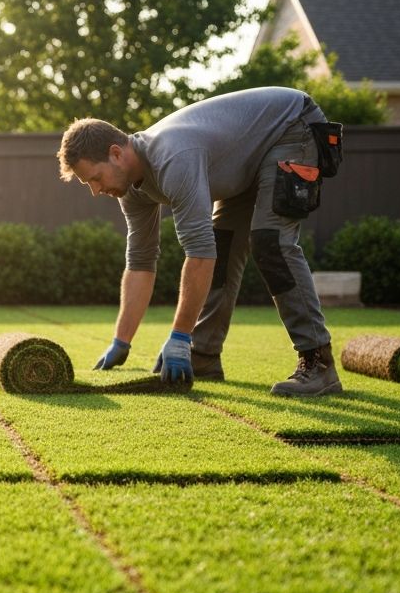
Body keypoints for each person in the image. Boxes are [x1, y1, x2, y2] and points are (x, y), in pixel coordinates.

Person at [57, 87, 344, 396]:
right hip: (250, 159)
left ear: (116, 153)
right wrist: (121, 341)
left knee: (270, 241)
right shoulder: (131, 190)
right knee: (222, 245)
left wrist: (180, 336)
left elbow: (198, 253)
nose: (96, 191)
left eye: (96, 178)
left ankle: (318, 363)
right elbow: (140, 261)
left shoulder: (173, 158)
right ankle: (204, 354)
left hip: (291, 127)